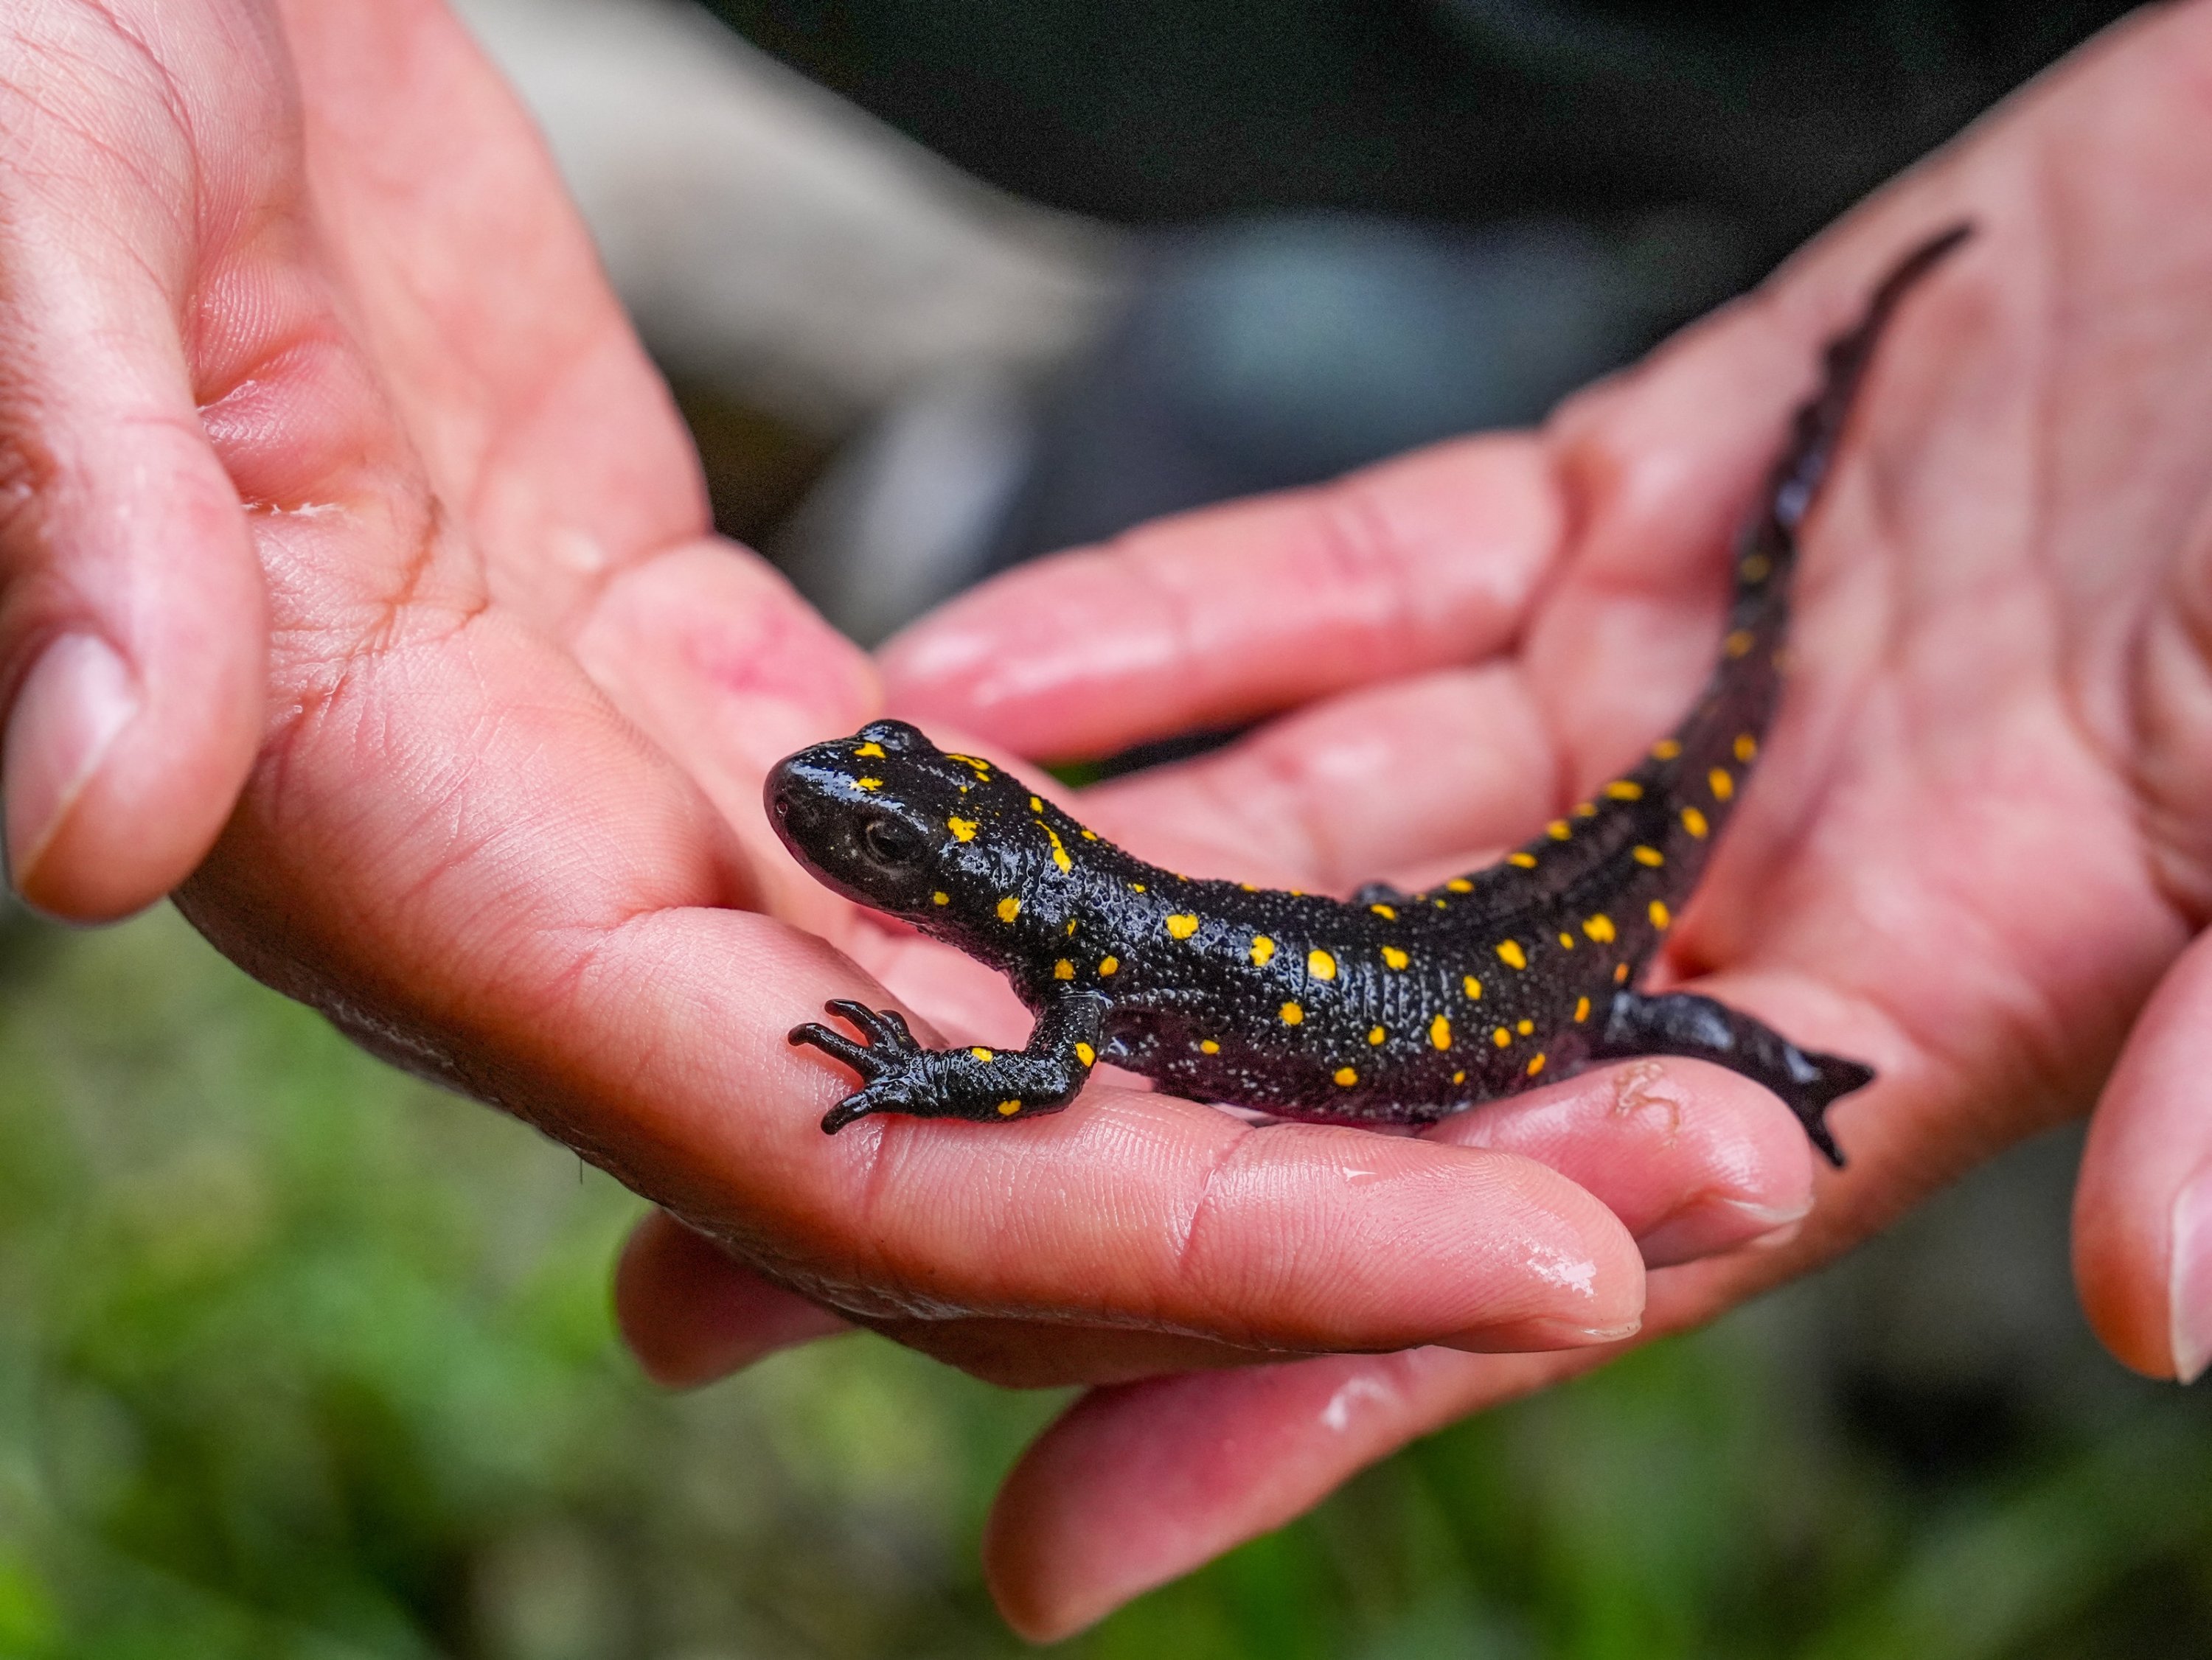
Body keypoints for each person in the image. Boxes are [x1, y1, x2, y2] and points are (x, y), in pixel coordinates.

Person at [4, 0, 2209, 1642]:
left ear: (974, 853)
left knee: (1671, 1013)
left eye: (879, 843)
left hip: (1534, 948)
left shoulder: (1069, 967)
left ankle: (1773, 1000)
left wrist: (913, 1064)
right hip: (1463, 842)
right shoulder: (1077, 917)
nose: (840, 838)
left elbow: (1038, 1068)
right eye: (868, 836)